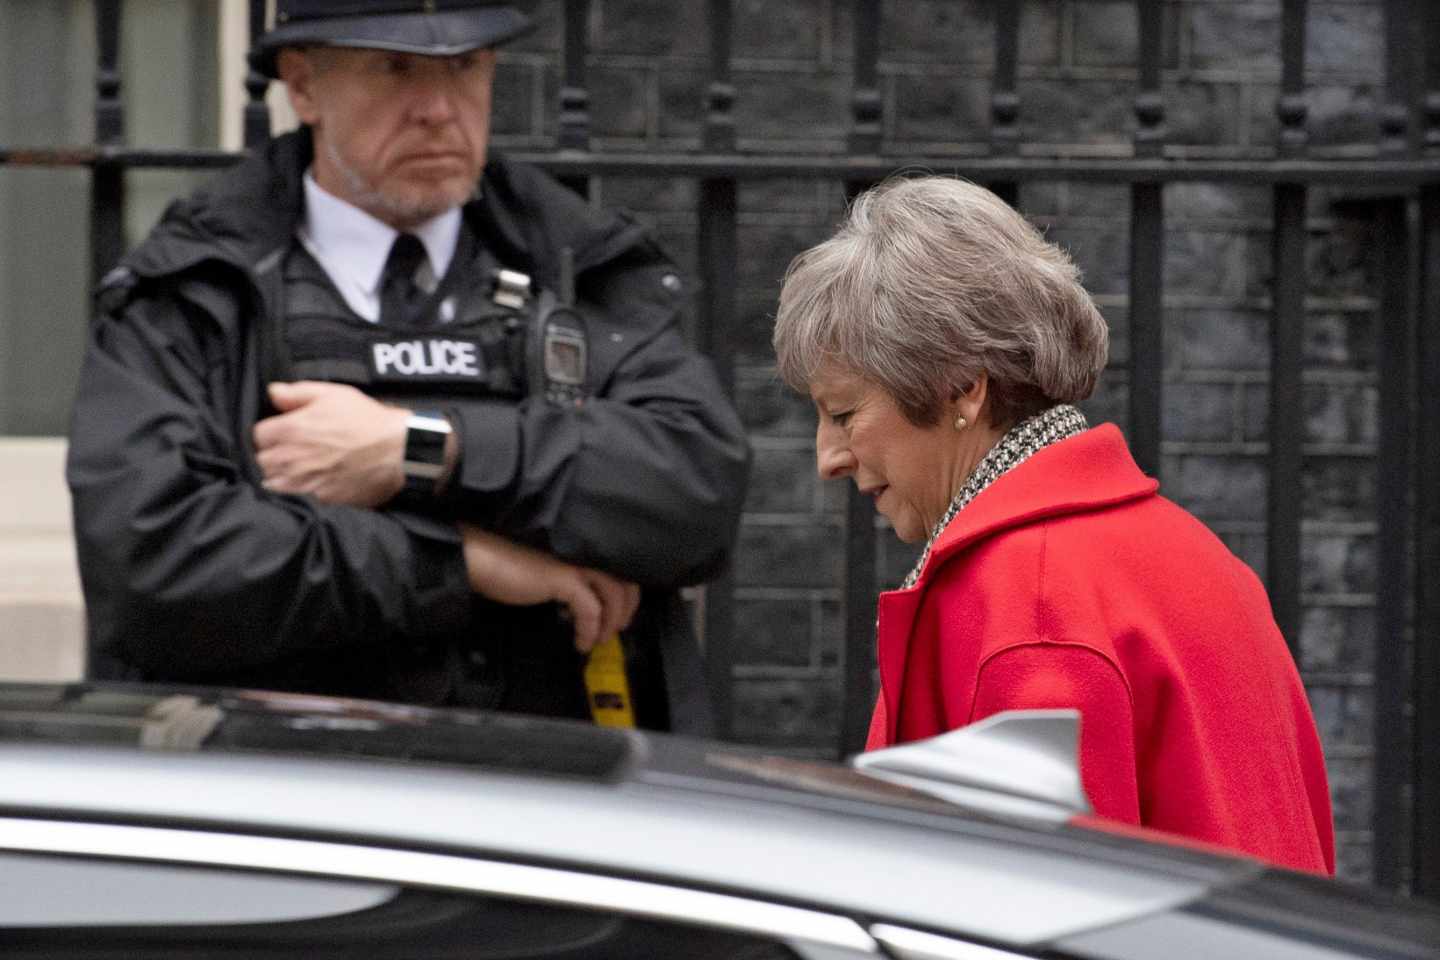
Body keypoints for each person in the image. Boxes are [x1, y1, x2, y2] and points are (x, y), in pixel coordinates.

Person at [66, 0, 750, 734]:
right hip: (278, 804)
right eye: (393, 69)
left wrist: (421, 449)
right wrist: (463, 562)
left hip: (553, 802)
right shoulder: (195, 289)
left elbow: (694, 487)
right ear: (302, 86)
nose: (437, 109)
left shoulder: (580, 266)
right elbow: (155, 568)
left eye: (464, 69)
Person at [771, 176, 1334, 874]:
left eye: (845, 413)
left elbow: (1034, 918)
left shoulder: (1030, 606)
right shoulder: (1187, 551)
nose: (829, 458)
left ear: (960, 388)